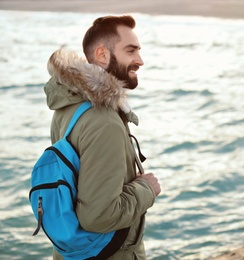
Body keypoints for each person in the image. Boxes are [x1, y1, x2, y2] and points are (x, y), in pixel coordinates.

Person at [44, 15, 161, 259]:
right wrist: (146, 189)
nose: (140, 60)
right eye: (131, 50)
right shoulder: (104, 121)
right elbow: (99, 216)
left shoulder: (69, 106)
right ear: (102, 55)